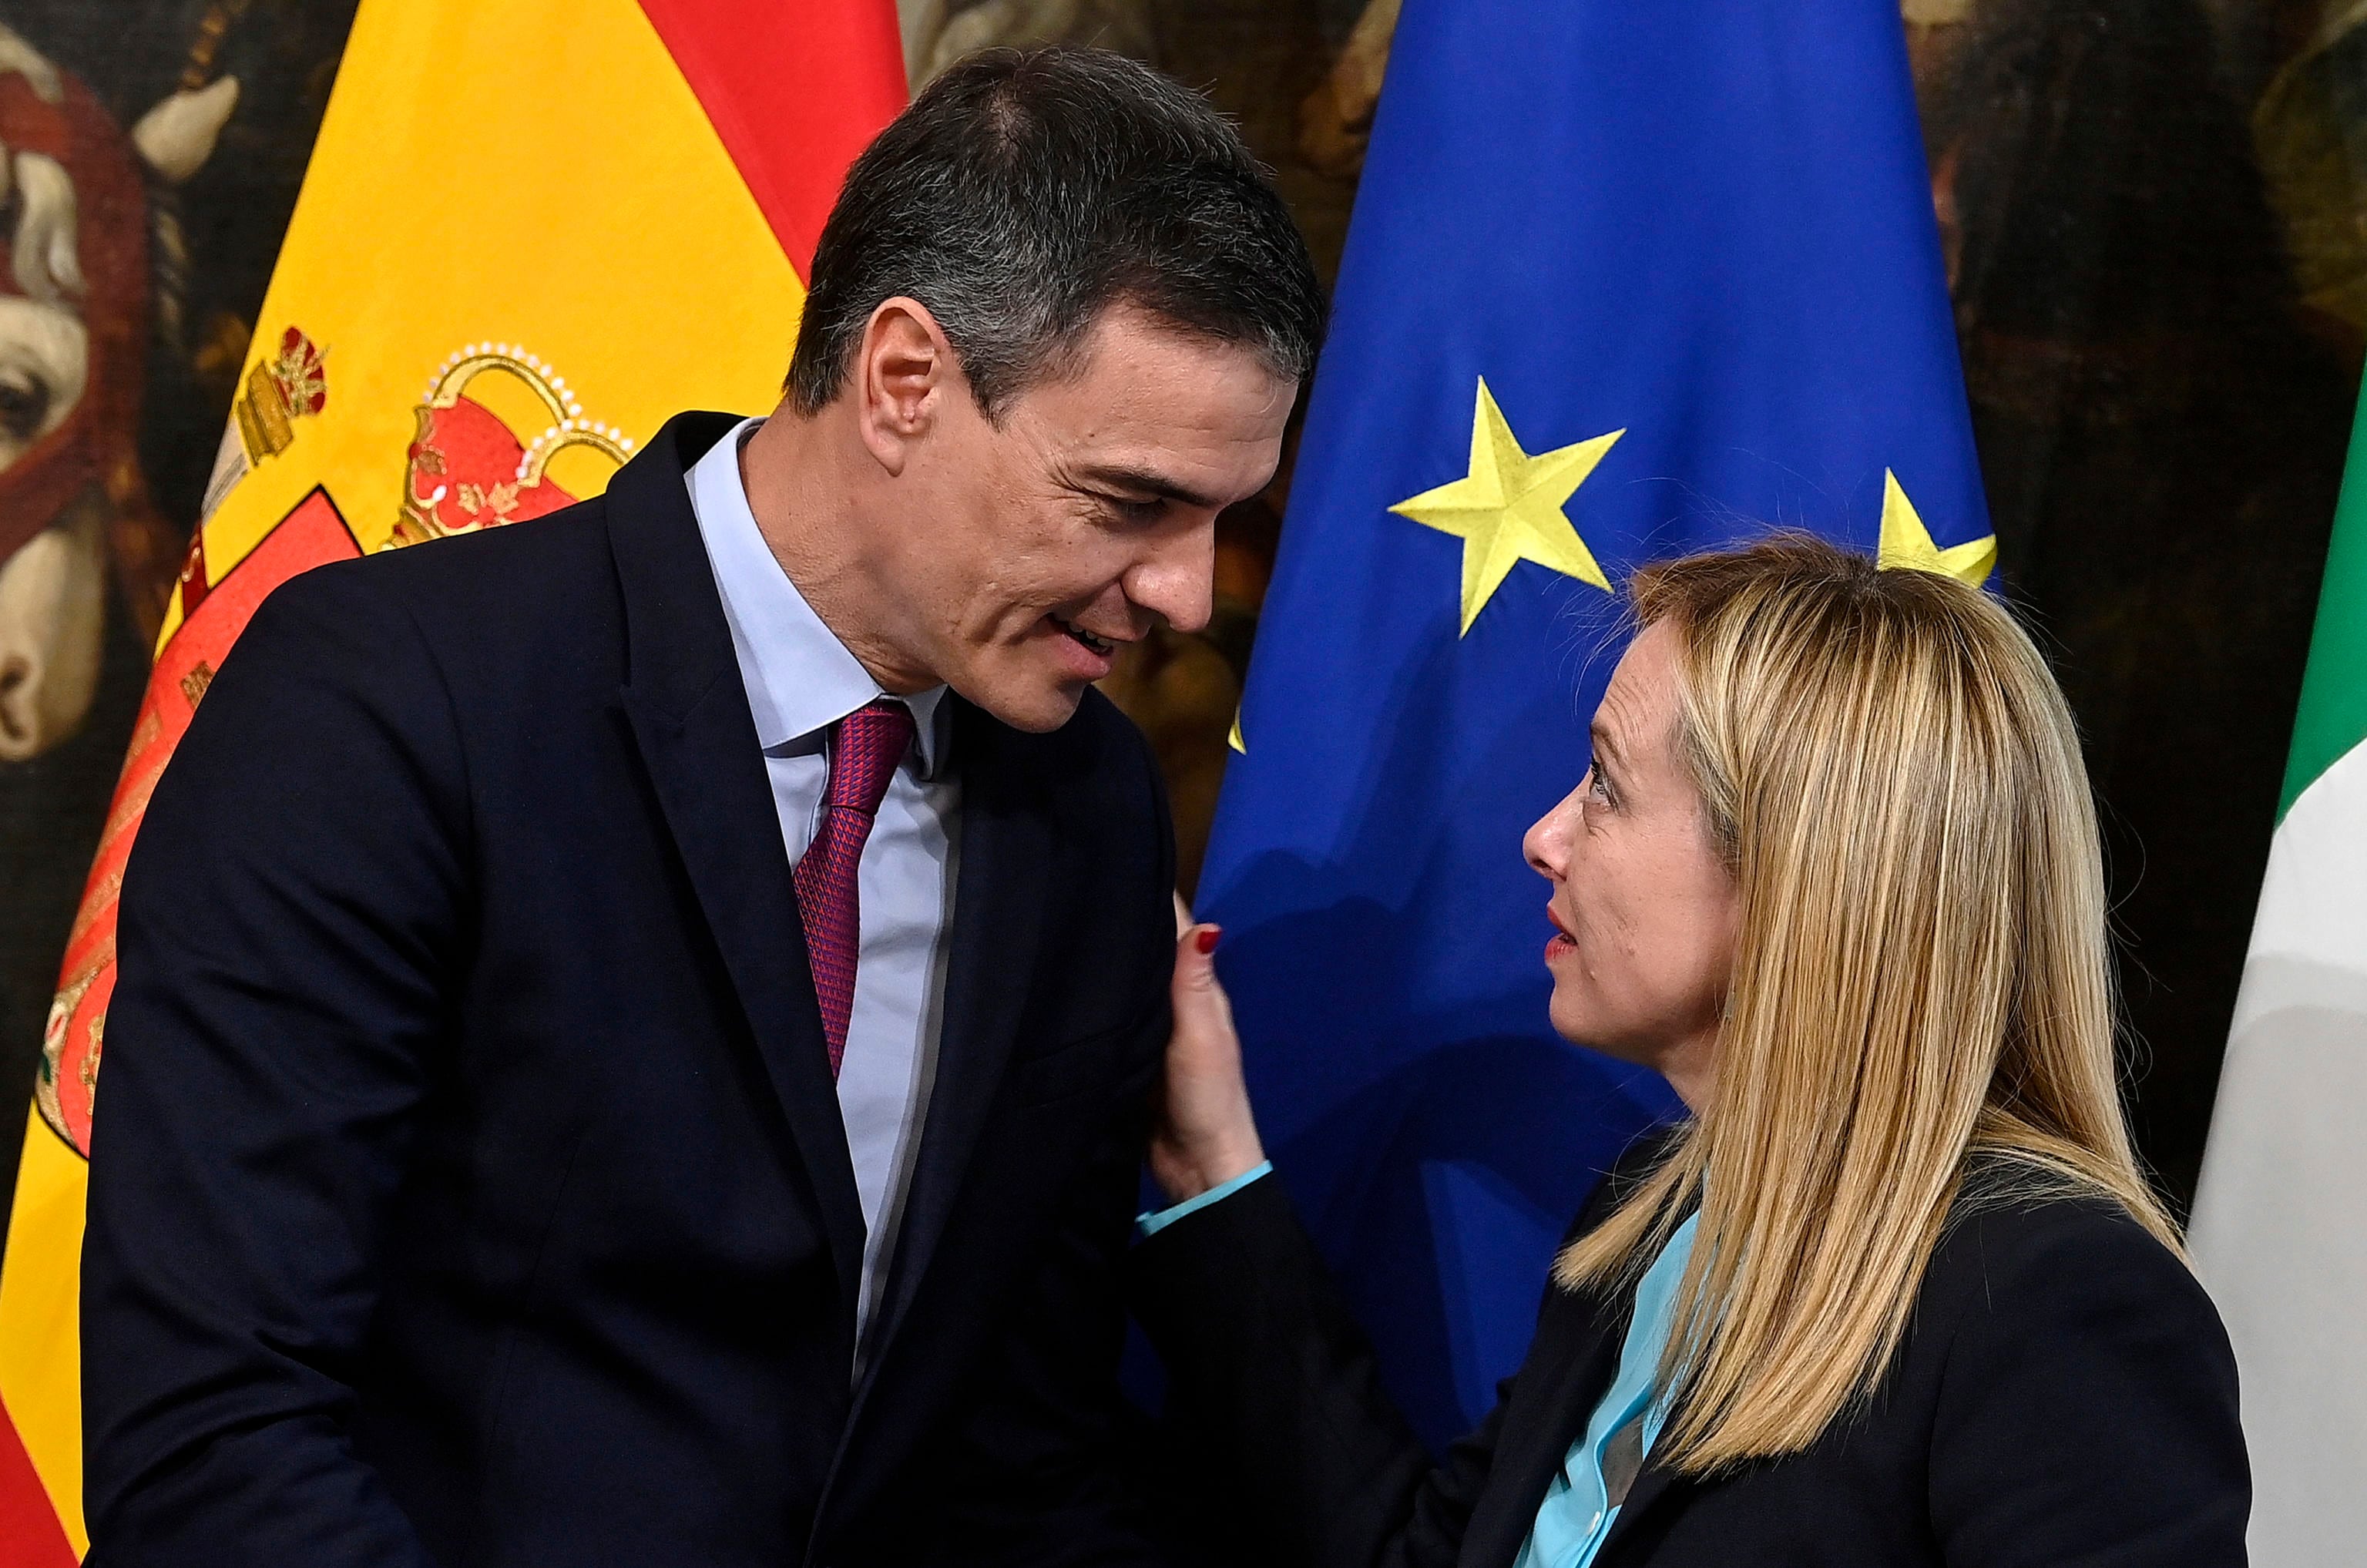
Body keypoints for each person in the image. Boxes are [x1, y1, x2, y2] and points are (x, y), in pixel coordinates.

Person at [80, 47, 1321, 1567]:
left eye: (1223, 517)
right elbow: (212, 1444)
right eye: (1132, 502)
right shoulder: (388, 702)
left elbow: (1018, 1449)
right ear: (904, 382)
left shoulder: (1091, 802)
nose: (1187, 593)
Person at [1139, 535, 2246, 1567]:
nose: (1544, 838)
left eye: (1606, 786)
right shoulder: (1655, 1211)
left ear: (1797, 874)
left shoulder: (2052, 1301)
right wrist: (1211, 1160)